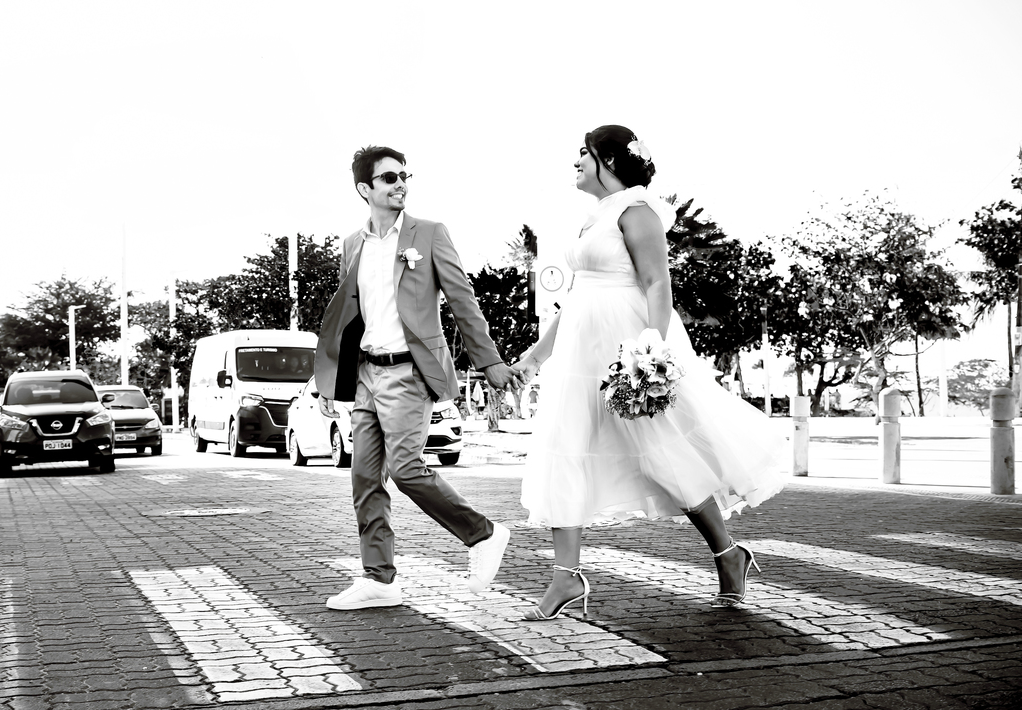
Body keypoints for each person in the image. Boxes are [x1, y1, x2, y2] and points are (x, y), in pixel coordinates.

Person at [512, 125, 785, 620]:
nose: (574, 161)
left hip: (629, 346)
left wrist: (649, 351)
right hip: (579, 353)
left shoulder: (637, 212)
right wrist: (533, 358)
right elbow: (575, 299)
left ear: (609, 161)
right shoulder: (593, 218)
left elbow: (657, 283)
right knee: (565, 448)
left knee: (665, 457)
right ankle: (566, 577)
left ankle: (729, 555)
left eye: (583, 153)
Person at [315, 145, 519, 610]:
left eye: (405, 176)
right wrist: (326, 380)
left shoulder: (428, 234)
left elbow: (463, 301)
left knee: (406, 469)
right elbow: (348, 320)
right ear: (365, 189)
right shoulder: (353, 244)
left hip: (409, 372)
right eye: (389, 178)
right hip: (367, 372)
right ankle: (379, 579)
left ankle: (483, 534)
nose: (401, 184)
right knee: (364, 478)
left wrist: (489, 363)